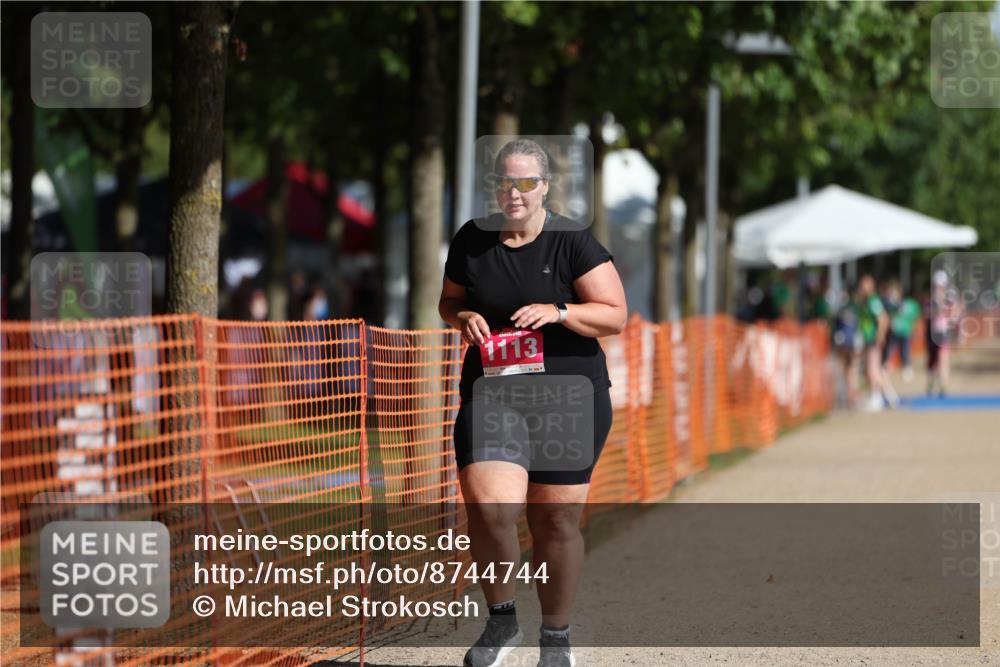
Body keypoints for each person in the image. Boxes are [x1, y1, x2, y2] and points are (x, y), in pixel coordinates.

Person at [439, 138, 626, 667]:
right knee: (489, 507)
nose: (514, 192)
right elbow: (449, 300)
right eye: (505, 182)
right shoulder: (473, 240)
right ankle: (501, 623)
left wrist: (560, 312)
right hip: (494, 393)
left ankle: (556, 638)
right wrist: (463, 318)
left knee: (556, 521)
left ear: (545, 187)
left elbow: (615, 314)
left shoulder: (572, 242)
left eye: (526, 182)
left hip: (568, 398)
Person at [856, 275, 898, 411]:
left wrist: (880, 336)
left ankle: (878, 397)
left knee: (872, 370)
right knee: (875, 370)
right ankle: (888, 396)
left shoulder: (873, 300)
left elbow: (883, 319)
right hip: (868, 339)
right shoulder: (865, 301)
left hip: (873, 339)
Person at [880, 280, 920, 384]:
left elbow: (914, 318)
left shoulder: (907, 304)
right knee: (890, 349)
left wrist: (914, 330)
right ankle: (886, 365)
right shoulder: (888, 303)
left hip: (905, 332)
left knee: (905, 351)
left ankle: (905, 367)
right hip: (894, 332)